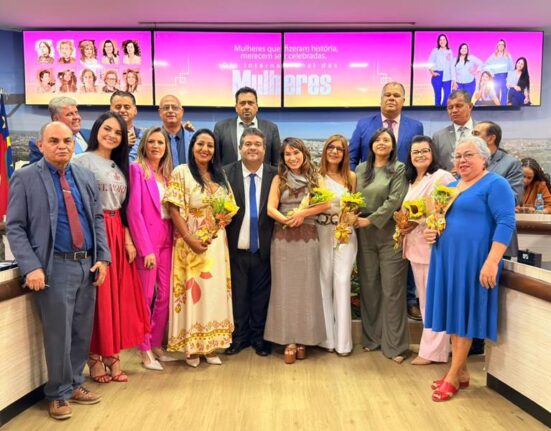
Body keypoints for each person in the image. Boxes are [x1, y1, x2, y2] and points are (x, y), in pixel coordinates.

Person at [7, 121, 110, 420]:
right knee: (58, 335)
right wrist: (31, 267)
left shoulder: (84, 176)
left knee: (80, 331)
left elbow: (97, 218)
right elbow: (15, 227)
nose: (62, 146)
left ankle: (75, 383)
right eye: (53, 141)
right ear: (40, 145)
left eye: (67, 140)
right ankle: (58, 394)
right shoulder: (25, 178)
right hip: (55, 267)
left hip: (87, 264)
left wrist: (103, 258)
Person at [424, 136, 515, 401]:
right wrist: (432, 232)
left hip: (474, 261)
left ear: (484, 158)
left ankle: (453, 376)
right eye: (458, 156)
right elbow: (438, 220)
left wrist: (492, 260)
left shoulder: (496, 184)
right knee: (454, 315)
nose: (461, 160)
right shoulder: (451, 187)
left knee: (464, 316)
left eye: (468, 155)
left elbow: (506, 222)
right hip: (447, 260)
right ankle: (461, 372)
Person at [73, 112, 150, 383]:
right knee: (99, 296)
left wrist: (127, 239)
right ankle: (94, 356)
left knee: (118, 297)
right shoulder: (81, 161)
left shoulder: (120, 167)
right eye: (107, 129)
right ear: (97, 129)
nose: (112, 135)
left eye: (118, 132)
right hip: (95, 231)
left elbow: (124, 207)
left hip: (117, 231)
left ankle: (112, 353)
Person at [163, 129, 235, 367]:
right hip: (190, 241)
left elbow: (231, 207)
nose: (205, 149)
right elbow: (173, 208)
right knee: (193, 296)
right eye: (200, 144)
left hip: (216, 243)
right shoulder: (181, 172)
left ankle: (211, 345)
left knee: (213, 294)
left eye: (210, 146)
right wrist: (189, 238)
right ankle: (192, 349)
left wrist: (223, 219)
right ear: (192, 146)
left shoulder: (220, 175)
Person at [264, 138, 331, 364]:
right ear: (283, 158)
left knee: (306, 289)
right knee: (284, 289)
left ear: (304, 153)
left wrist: (302, 214)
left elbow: (326, 204)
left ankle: (305, 338)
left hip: (308, 237)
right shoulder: (279, 178)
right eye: (288, 154)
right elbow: (271, 208)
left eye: (296, 153)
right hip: (282, 238)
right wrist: (286, 219)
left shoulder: (316, 177)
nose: (292, 158)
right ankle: (288, 340)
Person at [354, 128, 409, 364]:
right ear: (371, 144)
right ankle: (372, 339)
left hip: (388, 231)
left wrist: (370, 220)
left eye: (386, 140)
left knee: (392, 289)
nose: (381, 143)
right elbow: (353, 198)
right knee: (369, 287)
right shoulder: (360, 169)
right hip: (363, 233)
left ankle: (396, 346)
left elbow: (395, 200)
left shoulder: (398, 168)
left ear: (393, 145)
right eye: (377, 140)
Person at [224, 128, 277, 357]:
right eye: (248, 144)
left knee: (261, 296)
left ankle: (259, 338)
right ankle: (239, 337)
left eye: (257, 144)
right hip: (235, 247)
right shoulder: (226, 173)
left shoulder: (276, 175)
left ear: (264, 149)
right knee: (238, 295)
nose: (252, 148)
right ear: (240, 148)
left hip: (264, 248)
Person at [402, 136, 454, 365]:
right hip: (415, 248)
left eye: (424, 151)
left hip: (433, 246)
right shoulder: (413, 180)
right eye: (415, 152)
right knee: (425, 300)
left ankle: (432, 352)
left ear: (433, 153)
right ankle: (435, 350)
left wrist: (421, 221)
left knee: (433, 301)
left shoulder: (441, 177)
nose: (420, 155)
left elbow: (449, 209)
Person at [128, 127, 175, 370]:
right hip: (148, 240)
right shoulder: (137, 170)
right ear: (144, 145)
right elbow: (134, 212)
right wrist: (145, 248)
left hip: (167, 238)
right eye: (152, 142)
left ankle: (156, 342)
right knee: (146, 296)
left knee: (165, 294)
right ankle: (144, 348)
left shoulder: (166, 176)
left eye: (161, 142)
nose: (156, 146)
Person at [317, 134, 357, 356]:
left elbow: (354, 205)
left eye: (339, 149)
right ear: (325, 150)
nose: (334, 151)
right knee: (323, 282)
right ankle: (326, 340)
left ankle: (343, 343)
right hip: (321, 231)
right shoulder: (316, 175)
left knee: (342, 282)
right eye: (331, 147)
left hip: (344, 234)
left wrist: (351, 217)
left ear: (344, 153)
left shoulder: (351, 177)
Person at [349, 82, 424, 168]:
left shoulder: (416, 127)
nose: (391, 98)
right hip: (369, 176)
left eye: (396, 95)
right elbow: (351, 159)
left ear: (403, 101)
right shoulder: (363, 125)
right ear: (381, 99)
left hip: (404, 176)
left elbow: (420, 160)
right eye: (387, 95)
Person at [214, 86, 281, 166]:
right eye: (242, 103)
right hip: (229, 174)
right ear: (236, 107)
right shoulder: (221, 127)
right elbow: (216, 161)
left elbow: (276, 163)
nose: (246, 107)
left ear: (257, 107)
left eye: (250, 103)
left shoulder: (271, 128)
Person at [28, 96, 90, 163]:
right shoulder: (41, 144)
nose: (76, 117)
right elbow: (36, 168)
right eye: (69, 114)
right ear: (56, 119)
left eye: (76, 112)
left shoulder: (91, 134)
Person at [432, 90, 475, 171]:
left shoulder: (484, 131)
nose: (454, 110)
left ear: (470, 106)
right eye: (450, 107)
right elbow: (434, 167)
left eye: (458, 106)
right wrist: (447, 175)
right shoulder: (438, 137)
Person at [149, 94, 195, 166]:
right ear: (160, 113)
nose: (170, 110)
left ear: (182, 112)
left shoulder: (194, 138)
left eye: (175, 107)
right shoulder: (150, 138)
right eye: (166, 108)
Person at [110, 90, 143, 160]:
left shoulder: (144, 136)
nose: (122, 110)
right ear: (111, 110)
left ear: (135, 110)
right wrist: (121, 143)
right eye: (118, 107)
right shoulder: (104, 136)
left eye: (127, 107)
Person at [484, 39, 513, 105]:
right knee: (496, 93)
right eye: (499, 44)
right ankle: (497, 108)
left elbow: (511, 67)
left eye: (502, 44)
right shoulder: (494, 55)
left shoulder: (508, 55)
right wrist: (491, 72)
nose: (501, 46)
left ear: (504, 46)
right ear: (497, 46)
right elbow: (486, 64)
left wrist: (510, 78)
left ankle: (503, 108)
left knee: (504, 93)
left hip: (505, 76)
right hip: (496, 77)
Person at [427, 34, 454, 106]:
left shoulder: (449, 51)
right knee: (438, 96)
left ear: (446, 41)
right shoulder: (435, 51)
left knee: (447, 95)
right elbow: (429, 62)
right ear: (438, 42)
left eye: (444, 39)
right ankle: (437, 110)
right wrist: (432, 72)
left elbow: (452, 64)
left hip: (447, 75)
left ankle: (442, 109)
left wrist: (453, 78)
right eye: (440, 40)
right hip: (438, 74)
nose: (442, 41)